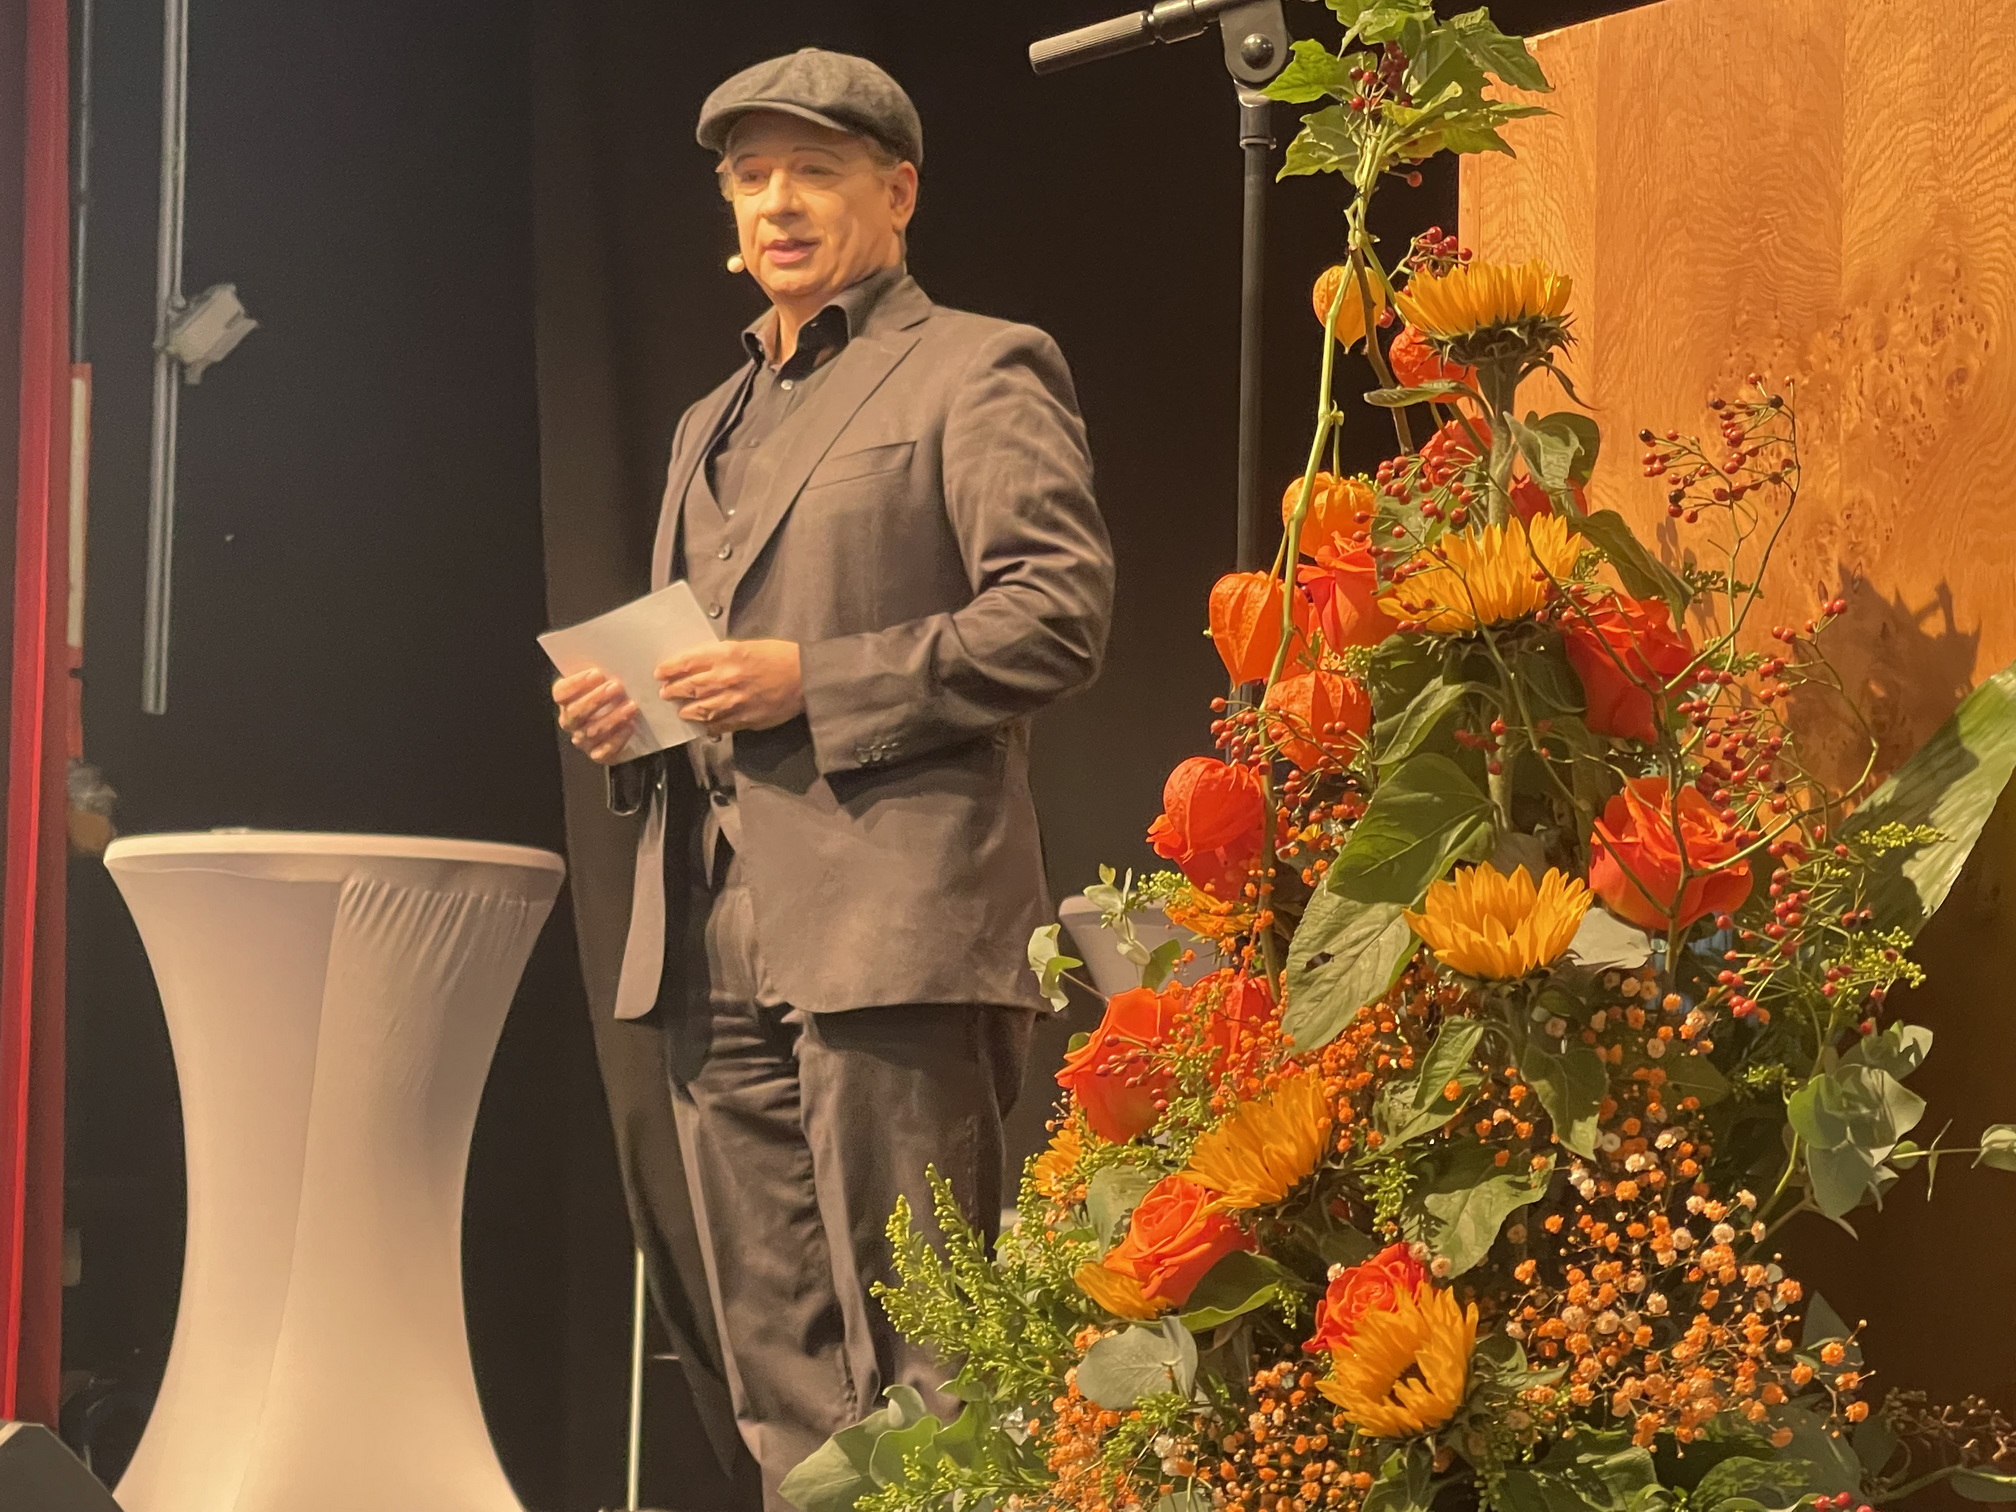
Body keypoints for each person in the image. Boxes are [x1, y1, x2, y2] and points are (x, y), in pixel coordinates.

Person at [550, 48, 1114, 1509]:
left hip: (895, 919)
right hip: (709, 925)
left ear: (898, 193)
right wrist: (635, 712)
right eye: (752, 178)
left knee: (930, 1350)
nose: (779, 204)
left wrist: (820, 679)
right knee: (780, 1368)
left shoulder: (978, 364)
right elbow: (712, 663)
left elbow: (1056, 613)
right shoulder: (708, 420)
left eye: (815, 171)